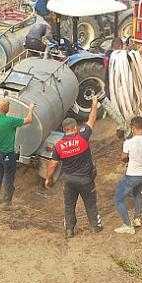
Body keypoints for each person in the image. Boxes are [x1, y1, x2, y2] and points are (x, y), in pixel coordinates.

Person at [45, 97, 101, 238]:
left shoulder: (58, 145)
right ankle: (95, 226)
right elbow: (92, 119)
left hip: (69, 180)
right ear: (75, 128)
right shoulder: (83, 136)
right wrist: (94, 104)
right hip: (86, 180)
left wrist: (48, 179)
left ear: (64, 130)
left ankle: (69, 230)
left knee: (69, 205)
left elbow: (52, 164)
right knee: (90, 204)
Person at [0, 99, 35, 208]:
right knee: (8, 176)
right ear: (7, 109)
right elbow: (29, 120)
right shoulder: (10, 120)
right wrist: (31, 109)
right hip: (8, 154)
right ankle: (7, 203)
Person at [113, 116, 142, 234]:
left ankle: (127, 225)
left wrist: (129, 159)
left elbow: (123, 158)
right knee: (137, 194)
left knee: (118, 199)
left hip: (132, 176)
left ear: (132, 128)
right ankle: (137, 219)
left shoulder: (128, 143)